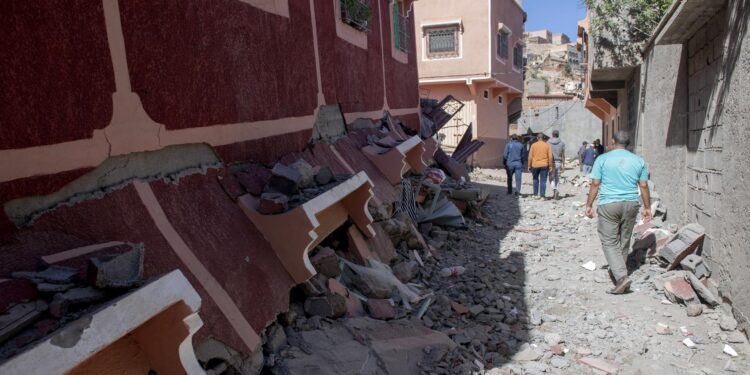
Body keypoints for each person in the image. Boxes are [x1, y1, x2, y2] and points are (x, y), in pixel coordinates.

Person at [584, 131, 651, 294]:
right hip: (631, 204)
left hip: (609, 204)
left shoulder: (602, 159)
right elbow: (643, 185)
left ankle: (621, 277)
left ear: (613, 142)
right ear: (628, 144)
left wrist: (589, 204)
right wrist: (647, 207)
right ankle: (618, 270)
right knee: (624, 238)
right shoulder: (638, 160)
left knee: (609, 240)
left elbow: (595, 183)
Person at [527, 133, 554, 199]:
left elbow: (530, 156)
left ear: (537, 138)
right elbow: (550, 157)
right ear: (543, 138)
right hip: (544, 165)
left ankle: (535, 194)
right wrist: (550, 166)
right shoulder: (547, 145)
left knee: (535, 179)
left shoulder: (533, 145)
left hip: (535, 165)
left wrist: (529, 165)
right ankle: (542, 196)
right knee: (543, 180)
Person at [548, 130, 565, 200]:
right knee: (557, 178)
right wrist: (563, 164)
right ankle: (556, 190)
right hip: (559, 162)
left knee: (551, 178)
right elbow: (563, 154)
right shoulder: (562, 143)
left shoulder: (548, 143)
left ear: (552, 135)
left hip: (551, 162)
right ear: (558, 134)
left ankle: (554, 190)